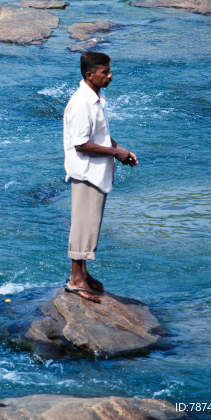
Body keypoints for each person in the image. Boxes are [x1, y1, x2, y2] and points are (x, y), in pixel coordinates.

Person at [61, 51, 137, 303]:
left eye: (109, 70)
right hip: (86, 172)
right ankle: (75, 280)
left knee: (90, 224)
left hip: (96, 171)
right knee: (83, 226)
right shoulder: (81, 103)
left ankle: (83, 273)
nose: (110, 76)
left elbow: (98, 136)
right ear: (89, 75)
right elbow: (81, 143)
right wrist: (115, 151)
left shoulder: (95, 96)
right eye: (105, 72)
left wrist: (118, 151)